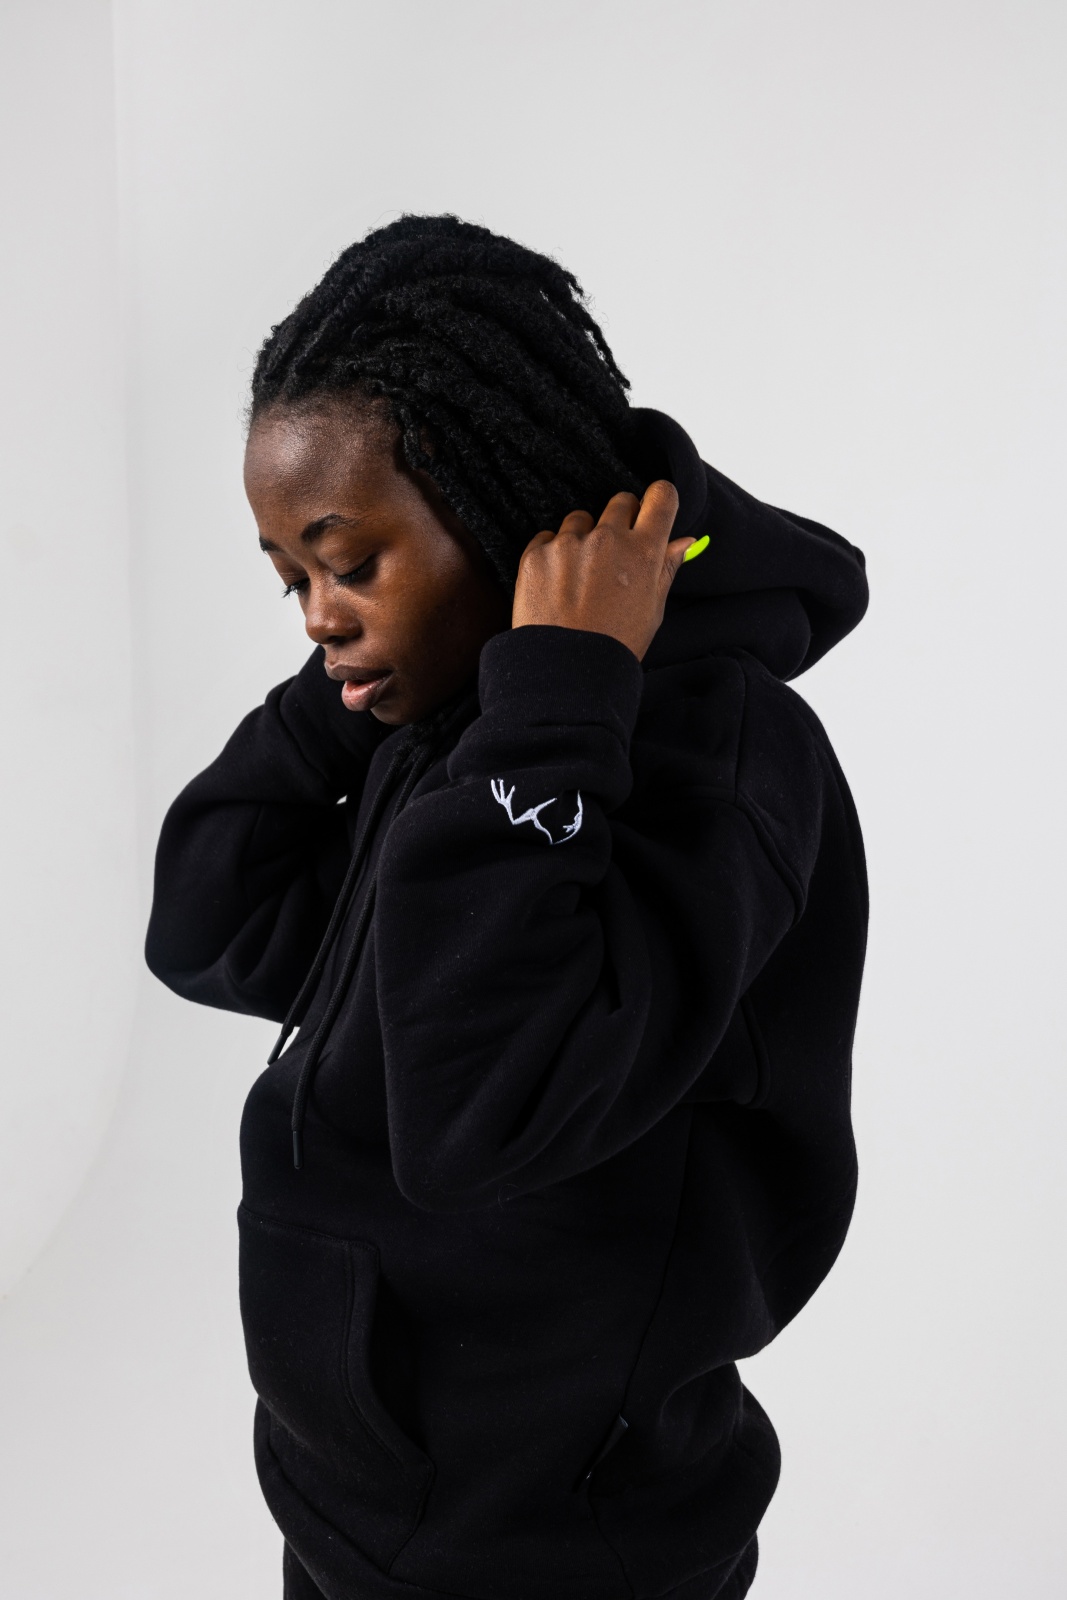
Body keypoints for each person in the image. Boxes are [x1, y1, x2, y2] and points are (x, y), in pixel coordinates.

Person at [145, 214, 868, 1600]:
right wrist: (351, 695)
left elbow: (481, 1114)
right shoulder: (468, 724)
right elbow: (207, 924)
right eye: (293, 578)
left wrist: (555, 705)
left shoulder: (713, 751)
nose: (317, 616)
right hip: (368, 1506)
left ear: (498, 512)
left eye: (352, 563)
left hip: (565, 1544)